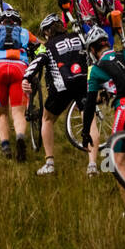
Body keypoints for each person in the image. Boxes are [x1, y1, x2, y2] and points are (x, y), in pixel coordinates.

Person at [25, 14, 101, 176]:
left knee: (47, 119)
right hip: (83, 82)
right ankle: (93, 165)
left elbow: (36, 63)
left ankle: (50, 163)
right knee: (89, 118)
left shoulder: (48, 45)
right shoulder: (78, 37)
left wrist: (26, 78)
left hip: (61, 87)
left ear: (47, 32)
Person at [79, 29, 125, 187]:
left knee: (115, 160)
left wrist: (85, 133)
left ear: (92, 50)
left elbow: (89, 105)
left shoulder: (95, 70)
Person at [0, 6, 34, 161]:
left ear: (1, 22)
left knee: (2, 113)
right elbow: (40, 46)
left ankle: (5, 145)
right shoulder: (25, 32)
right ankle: (20, 136)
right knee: (18, 112)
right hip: (19, 68)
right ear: (18, 23)